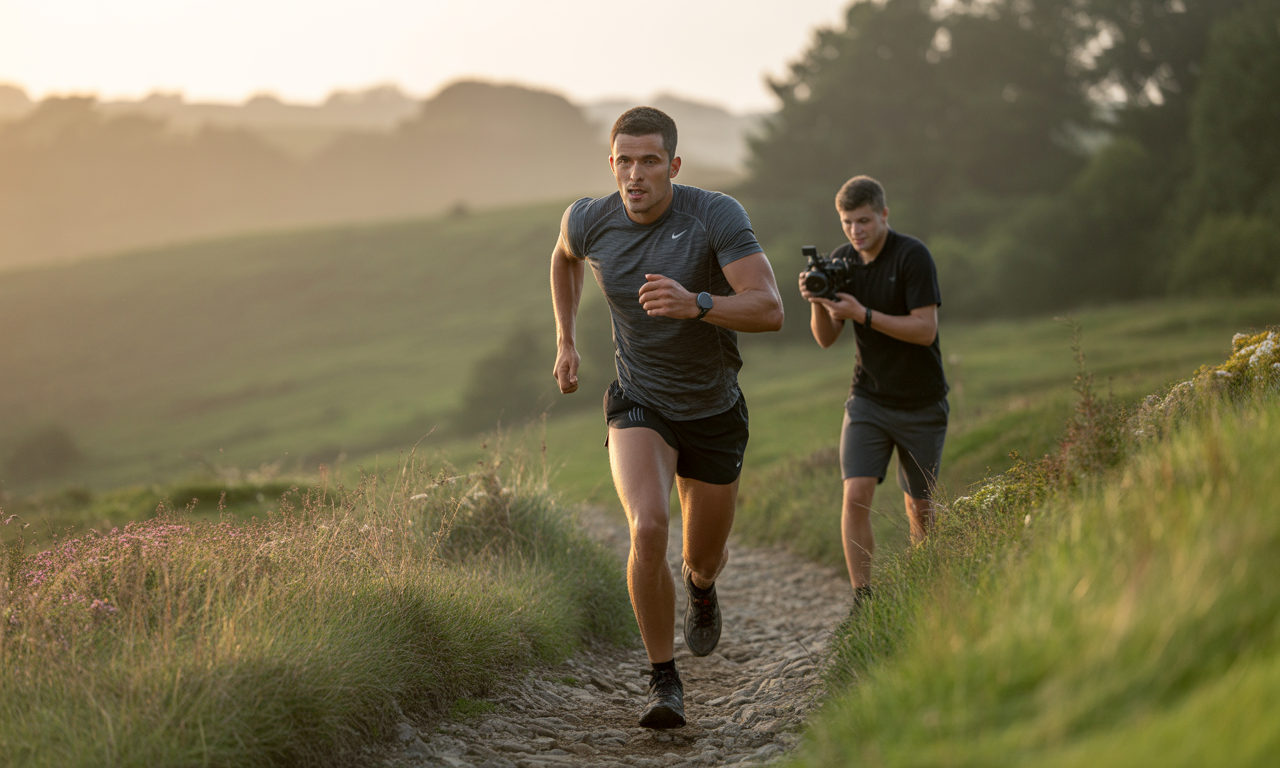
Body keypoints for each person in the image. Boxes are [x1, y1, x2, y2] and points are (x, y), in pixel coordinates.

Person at [550, 106, 783, 729]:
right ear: (611, 164)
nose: (636, 174)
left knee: (704, 557)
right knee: (648, 527)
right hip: (639, 399)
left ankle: (700, 588)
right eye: (625, 161)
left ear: (673, 166)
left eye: (650, 161)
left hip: (713, 407)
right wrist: (566, 340)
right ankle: (663, 679)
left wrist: (696, 303)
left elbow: (769, 308)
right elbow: (564, 257)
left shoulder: (714, 215)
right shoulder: (589, 219)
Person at [798, 175, 948, 604]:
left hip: (921, 402)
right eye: (847, 222)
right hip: (868, 398)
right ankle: (863, 601)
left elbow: (925, 329)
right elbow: (826, 339)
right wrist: (818, 302)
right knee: (855, 495)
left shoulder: (912, 256)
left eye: (863, 220)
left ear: (883, 214)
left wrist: (862, 314)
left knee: (920, 506)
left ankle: (924, 590)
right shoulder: (841, 261)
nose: (855, 231)